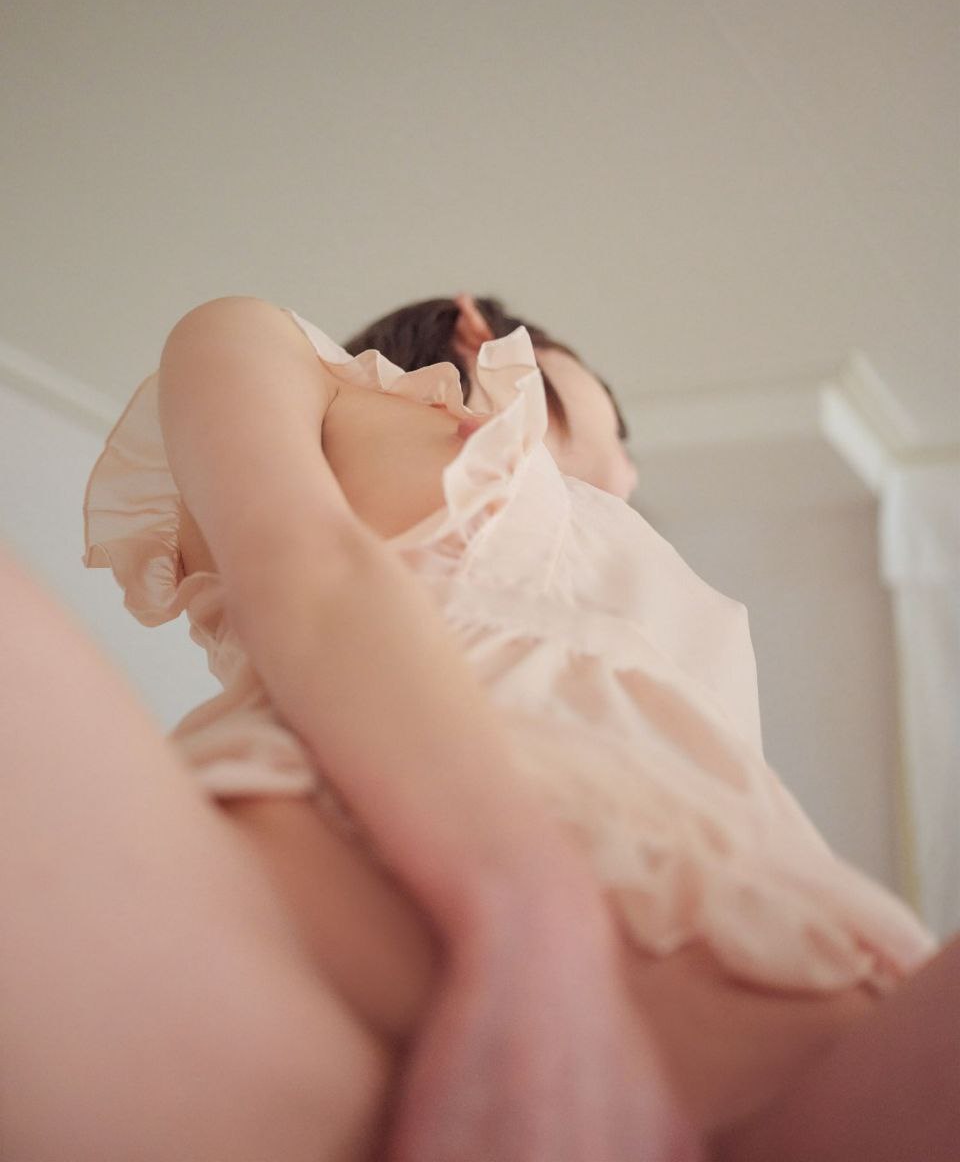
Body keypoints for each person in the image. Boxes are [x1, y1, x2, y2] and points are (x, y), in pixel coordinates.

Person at [1, 292, 955, 1161]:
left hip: (793, 1033)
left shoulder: (659, 578)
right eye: (614, 424)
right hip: (326, 979)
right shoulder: (292, 363)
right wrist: (536, 930)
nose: (627, 468)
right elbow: (311, 567)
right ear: (476, 328)